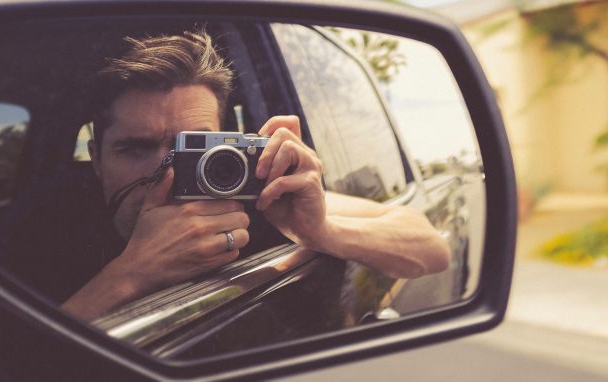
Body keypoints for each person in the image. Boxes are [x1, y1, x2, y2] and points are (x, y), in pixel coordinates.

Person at [56, 31, 451, 320]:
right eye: (135, 149)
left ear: (226, 146)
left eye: (193, 149)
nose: (167, 174)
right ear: (95, 158)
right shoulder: (46, 231)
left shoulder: (260, 201)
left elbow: (431, 247)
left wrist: (321, 233)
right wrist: (132, 274)